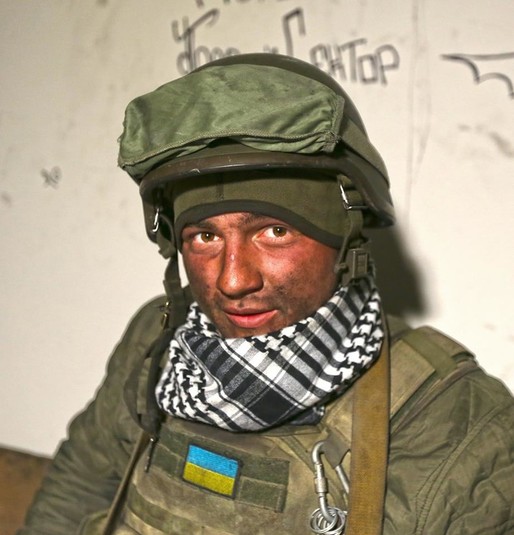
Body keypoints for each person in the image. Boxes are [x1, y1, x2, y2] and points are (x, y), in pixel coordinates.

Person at [19, 54, 514, 535]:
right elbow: (81, 485)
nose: (233, 280)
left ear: (346, 239)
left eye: (275, 231)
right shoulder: (157, 338)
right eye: (204, 237)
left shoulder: (455, 420)